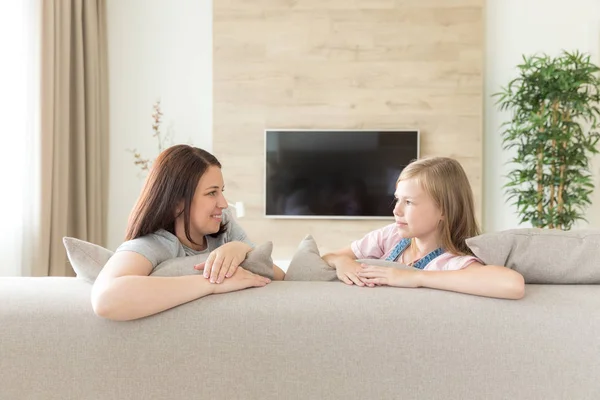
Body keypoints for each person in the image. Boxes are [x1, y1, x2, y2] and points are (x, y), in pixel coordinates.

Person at [92, 145, 285, 321]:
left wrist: (240, 248)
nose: (224, 203)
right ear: (177, 203)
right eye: (212, 193)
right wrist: (211, 283)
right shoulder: (155, 245)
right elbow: (105, 299)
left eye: (221, 191)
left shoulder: (225, 227)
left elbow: (279, 276)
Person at [322, 157, 525, 300]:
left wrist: (413, 277)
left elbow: (512, 285)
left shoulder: (450, 263)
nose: (396, 210)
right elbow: (327, 257)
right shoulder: (390, 236)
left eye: (409, 202)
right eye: (397, 200)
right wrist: (342, 262)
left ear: (444, 210)